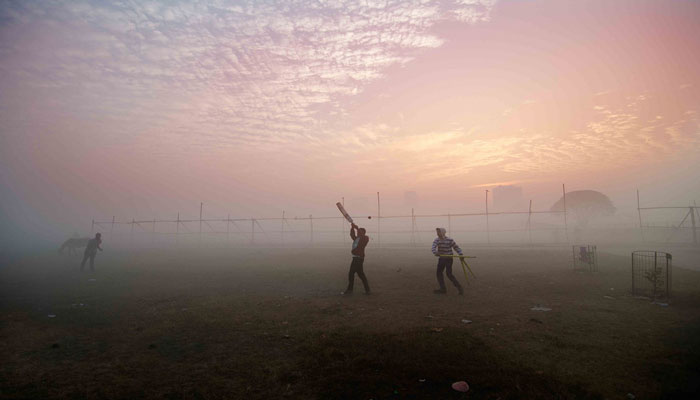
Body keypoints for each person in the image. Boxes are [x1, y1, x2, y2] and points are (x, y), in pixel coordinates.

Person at [431, 227, 464, 295]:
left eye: (439, 232)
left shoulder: (450, 240)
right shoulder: (437, 240)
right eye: (437, 232)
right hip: (442, 259)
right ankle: (443, 289)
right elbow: (433, 247)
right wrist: (435, 252)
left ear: (443, 232)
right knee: (439, 273)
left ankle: (459, 287)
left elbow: (456, 247)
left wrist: (460, 254)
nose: (437, 233)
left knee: (449, 274)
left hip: (449, 259)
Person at [344, 222, 370, 295]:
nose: (358, 233)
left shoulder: (365, 238)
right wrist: (352, 228)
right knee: (361, 274)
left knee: (351, 273)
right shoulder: (357, 239)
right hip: (356, 258)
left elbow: (361, 235)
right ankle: (367, 290)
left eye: (359, 232)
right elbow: (352, 235)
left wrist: (356, 227)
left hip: (358, 259)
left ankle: (350, 290)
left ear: (363, 233)